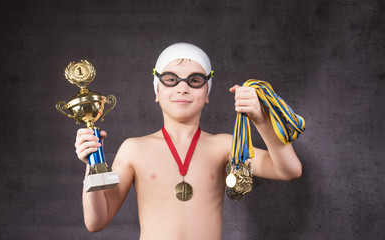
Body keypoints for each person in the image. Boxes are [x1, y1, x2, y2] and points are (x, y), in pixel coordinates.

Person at [74, 43, 302, 239]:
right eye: (171, 79)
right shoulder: (134, 149)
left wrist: (261, 119)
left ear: (207, 93)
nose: (182, 88)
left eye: (195, 80)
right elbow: (97, 221)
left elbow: (289, 170)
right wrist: (91, 164)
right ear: (157, 91)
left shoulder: (224, 146)